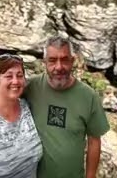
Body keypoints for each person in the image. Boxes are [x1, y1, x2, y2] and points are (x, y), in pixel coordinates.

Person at [22, 36, 110, 178]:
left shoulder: (88, 97)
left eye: (64, 60)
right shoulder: (30, 87)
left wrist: (91, 176)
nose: (59, 67)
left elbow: (94, 141)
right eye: (52, 60)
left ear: (72, 61)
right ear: (44, 62)